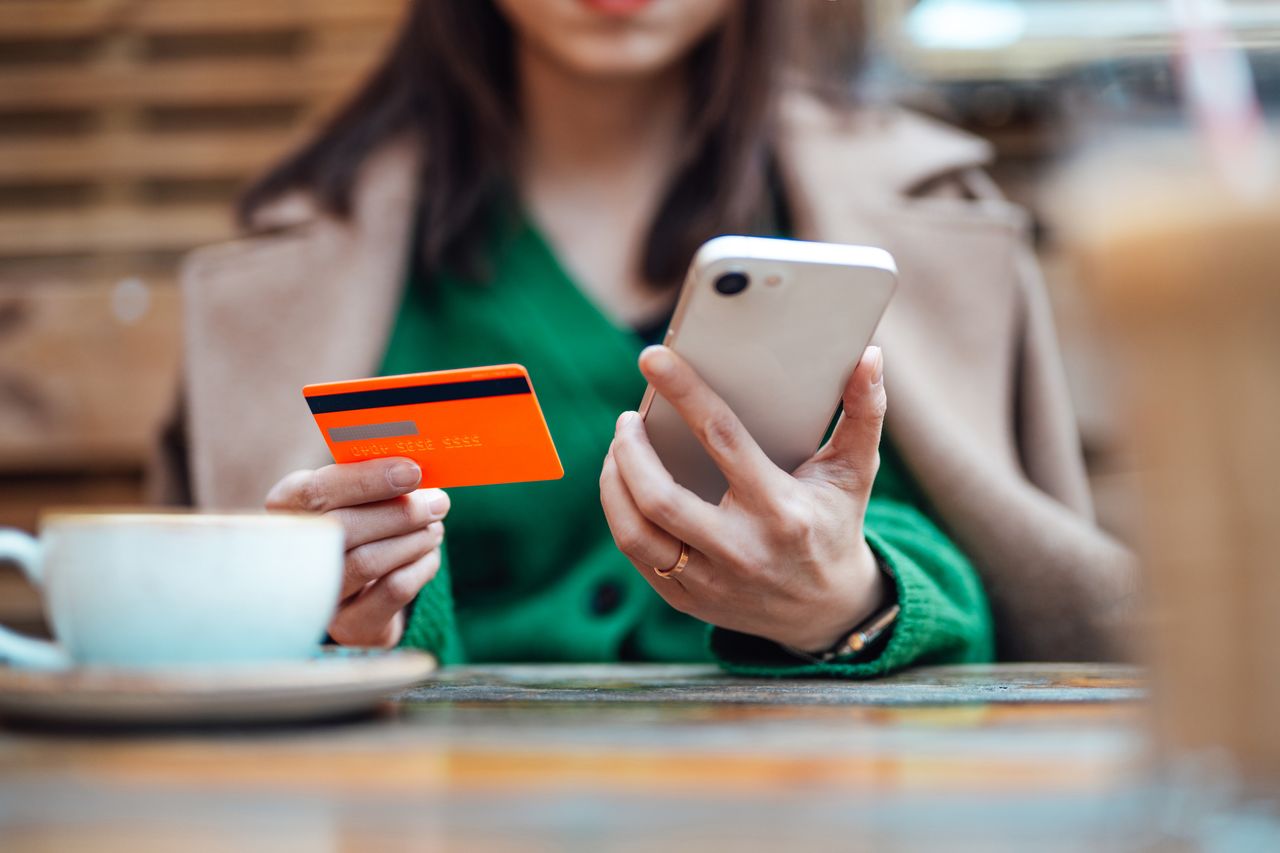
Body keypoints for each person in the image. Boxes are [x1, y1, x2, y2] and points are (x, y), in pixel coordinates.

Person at [153, 0, 1134, 673]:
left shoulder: (931, 214)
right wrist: (352, 631)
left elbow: (1012, 592)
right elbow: (186, 645)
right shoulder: (294, 257)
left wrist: (849, 598)